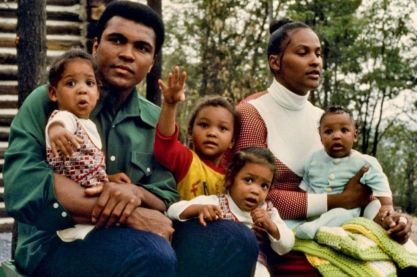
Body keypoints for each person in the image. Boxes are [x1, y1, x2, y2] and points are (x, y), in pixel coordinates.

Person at [4, 1, 257, 276]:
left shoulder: (157, 120)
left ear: (151, 64)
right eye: (117, 40)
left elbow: (168, 194)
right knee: (150, 253)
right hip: (55, 242)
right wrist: (130, 215)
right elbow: (23, 185)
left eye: (142, 48)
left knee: (236, 239)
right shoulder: (49, 102)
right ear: (95, 46)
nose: (127, 54)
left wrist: (135, 192)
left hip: (143, 239)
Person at [232, 18, 412, 276]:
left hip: (336, 231)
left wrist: (390, 216)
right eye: (302, 52)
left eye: (318, 53)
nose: (315, 60)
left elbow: (356, 187)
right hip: (278, 238)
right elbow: (255, 195)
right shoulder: (250, 113)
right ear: (275, 62)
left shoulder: (325, 122)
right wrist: (337, 200)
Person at [45, 49, 132, 242]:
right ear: (53, 93)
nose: (82, 89)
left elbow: (86, 166)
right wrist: (56, 131)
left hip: (91, 196)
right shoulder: (65, 117)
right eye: (71, 83)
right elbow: (58, 123)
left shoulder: (89, 125)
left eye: (89, 83)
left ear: (98, 92)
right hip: (74, 205)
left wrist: (108, 177)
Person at [168, 147, 294, 277]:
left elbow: (286, 245)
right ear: (230, 179)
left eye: (264, 186)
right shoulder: (217, 204)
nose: (256, 190)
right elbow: (172, 210)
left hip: (255, 269)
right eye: (249, 180)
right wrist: (199, 209)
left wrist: (271, 227)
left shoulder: (268, 212)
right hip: (221, 266)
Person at [296, 106, 393, 239]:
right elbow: (306, 183)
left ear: (355, 135)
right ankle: (315, 226)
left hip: (347, 211)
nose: (336, 136)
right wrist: (302, 205)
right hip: (316, 209)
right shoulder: (313, 159)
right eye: (328, 131)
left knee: (343, 213)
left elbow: (380, 183)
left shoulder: (364, 162)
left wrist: (387, 204)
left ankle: (313, 230)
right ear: (320, 135)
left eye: (344, 130)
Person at [154, 66, 238, 200]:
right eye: (204, 125)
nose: (212, 133)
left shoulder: (232, 179)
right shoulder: (187, 160)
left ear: (232, 141)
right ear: (190, 132)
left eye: (222, 128)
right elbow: (165, 146)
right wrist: (170, 105)